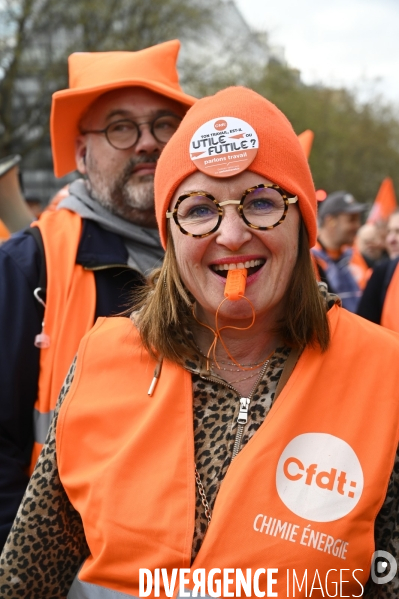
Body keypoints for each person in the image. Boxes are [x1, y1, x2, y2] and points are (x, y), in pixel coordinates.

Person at [1, 86, 399, 599]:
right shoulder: (101, 359)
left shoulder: (384, 373)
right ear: (171, 233)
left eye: (260, 203)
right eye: (199, 209)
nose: (231, 235)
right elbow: (24, 580)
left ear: (302, 224)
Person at [0, 40, 196, 550]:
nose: (147, 143)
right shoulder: (27, 267)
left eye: (163, 125)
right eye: (121, 127)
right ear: (83, 153)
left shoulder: (225, 254)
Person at [311, 190, 366, 312]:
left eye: (358, 219)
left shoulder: (354, 255)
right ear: (331, 221)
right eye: (351, 220)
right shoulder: (309, 258)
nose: (357, 226)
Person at [357, 209, 399, 331]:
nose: (391, 240)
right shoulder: (382, 273)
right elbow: (364, 327)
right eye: (389, 232)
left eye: (398, 232)